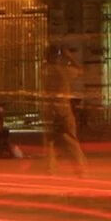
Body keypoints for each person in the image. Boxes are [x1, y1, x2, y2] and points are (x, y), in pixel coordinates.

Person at [40, 44, 89, 177]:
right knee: (72, 141)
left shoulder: (44, 71)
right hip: (64, 110)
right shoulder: (64, 71)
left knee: (50, 143)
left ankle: (50, 171)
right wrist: (70, 57)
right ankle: (81, 171)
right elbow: (80, 70)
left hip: (50, 110)